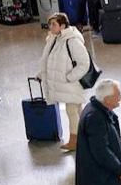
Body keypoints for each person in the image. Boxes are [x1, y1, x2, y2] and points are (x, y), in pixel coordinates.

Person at [38, 13, 91, 152]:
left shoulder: (72, 41)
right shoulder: (53, 39)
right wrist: (42, 74)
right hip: (66, 84)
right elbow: (49, 60)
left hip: (71, 84)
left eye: (54, 24)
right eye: (50, 24)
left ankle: (74, 141)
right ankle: (88, 136)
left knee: (71, 111)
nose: (50, 27)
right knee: (78, 112)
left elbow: (84, 63)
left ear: (62, 25)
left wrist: (70, 77)